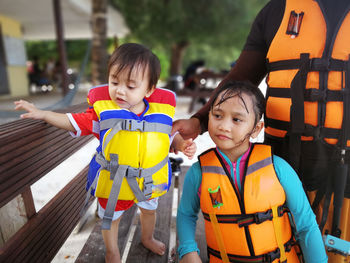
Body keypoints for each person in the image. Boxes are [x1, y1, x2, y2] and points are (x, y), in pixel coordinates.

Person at [173, 1, 350, 262]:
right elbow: (240, 83)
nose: (223, 125)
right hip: (282, 158)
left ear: (256, 127)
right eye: (218, 119)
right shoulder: (277, 11)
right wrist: (199, 121)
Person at [15, 43, 197, 263]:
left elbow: (167, 135)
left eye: (131, 86)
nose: (120, 90)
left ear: (149, 90)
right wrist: (43, 114)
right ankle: (112, 251)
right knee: (110, 218)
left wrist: (182, 143)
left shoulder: (160, 112)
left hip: (148, 181)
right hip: (115, 182)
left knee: (149, 212)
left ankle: (147, 237)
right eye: (114, 82)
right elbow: (71, 122)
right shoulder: (102, 113)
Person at [177, 80, 327, 263]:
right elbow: (186, 214)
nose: (224, 126)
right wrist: (187, 251)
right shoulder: (198, 172)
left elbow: (306, 225)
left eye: (236, 119)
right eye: (217, 115)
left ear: (256, 129)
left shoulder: (278, 168)